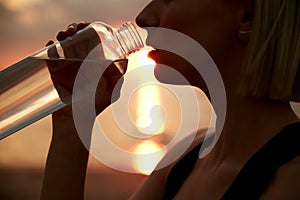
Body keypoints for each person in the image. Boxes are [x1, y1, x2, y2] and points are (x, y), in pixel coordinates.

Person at [41, 0, 300, 199]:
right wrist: (73, 122)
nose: (144, 18)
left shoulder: (292, 180)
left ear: (246, 17)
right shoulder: (183, 163)